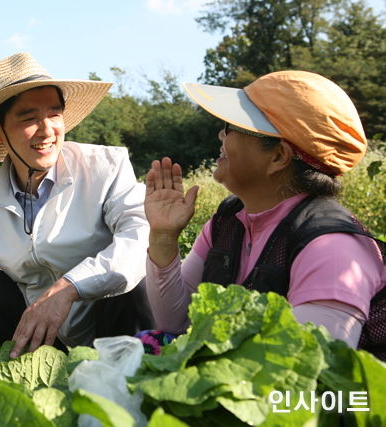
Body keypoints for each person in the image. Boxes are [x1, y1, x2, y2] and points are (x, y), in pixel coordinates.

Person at [0, 52, 153, 357]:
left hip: (109, 327)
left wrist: (69, 288)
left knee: (132, 281)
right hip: (37, 337)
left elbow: (138, 239)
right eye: (29, 118)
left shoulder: (105, 167)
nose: (47, 131)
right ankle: (5, 376)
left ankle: (134, 377)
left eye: (54, 114)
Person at [144, 70, 385, 352]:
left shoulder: (332, 249)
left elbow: (303, 373)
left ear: (278, 156)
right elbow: (176, 322)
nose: (221, 133)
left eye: (232, 126)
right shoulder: (228, 221)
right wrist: (162, 237)